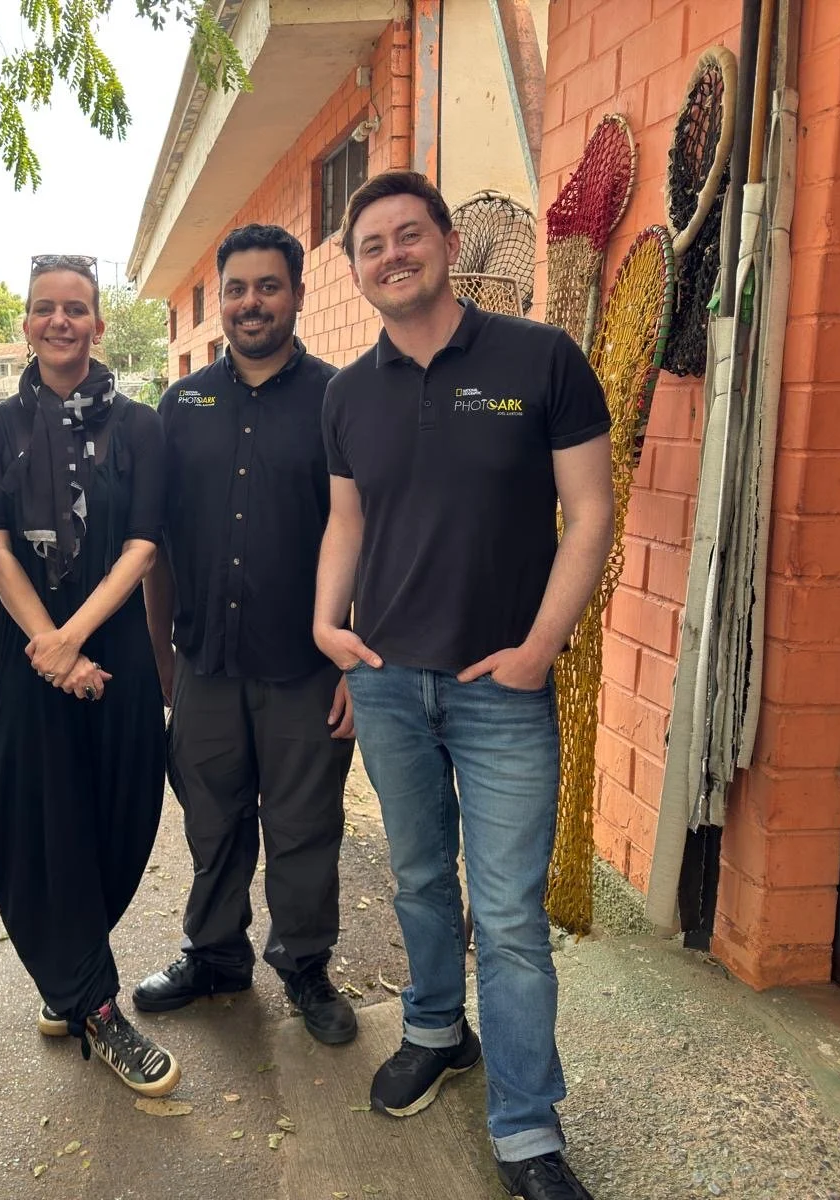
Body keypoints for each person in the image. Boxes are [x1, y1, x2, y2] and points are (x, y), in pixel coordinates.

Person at [315, 171, 613, 1200]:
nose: (391, 255)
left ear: (446, 241)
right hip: (392, 683)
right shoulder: (346, 394)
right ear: (354, 271)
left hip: (501, 688)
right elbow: (347, 520)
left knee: (512, 916)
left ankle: (528, 1131)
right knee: (415, 881)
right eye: (370, 246)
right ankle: (437, 1029)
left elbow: (589, 513)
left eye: (408, 235)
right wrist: (329, 626)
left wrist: (538, 649)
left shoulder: (541, 360)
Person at [135, 223, 359, 1048]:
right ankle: (216, 954)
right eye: (236, 289)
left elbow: (365, 533)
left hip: (305, 668)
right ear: (219, 300)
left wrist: (356, 663)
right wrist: (164, 660)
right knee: (210, 819)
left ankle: (304, 963)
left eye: (268, 287)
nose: (250, 303)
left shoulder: (340, 399)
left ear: (298, 294)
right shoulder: (181, 406)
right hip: (206, 664)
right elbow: (152, 548)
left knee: (303, 826)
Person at [0, 253, 177, 1097]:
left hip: (116, 650)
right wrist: (50, 644)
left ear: (98, 324)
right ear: (26, 321)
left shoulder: (140, 425)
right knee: (37, 821)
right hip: (26, 653)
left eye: (77, 308)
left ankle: (68, 970)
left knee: (122, 815)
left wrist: (77, 638)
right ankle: (94, 1004)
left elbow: (144, 543)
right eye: (45, 307)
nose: (60, 321)